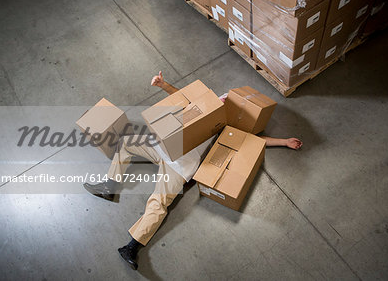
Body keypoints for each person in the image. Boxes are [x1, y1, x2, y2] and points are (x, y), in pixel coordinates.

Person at [83, 72, 303, 270]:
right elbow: (183, 96)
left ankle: (132, 247)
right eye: (225, 99)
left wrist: (283, 142)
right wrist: (162, 84)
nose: (224, 101)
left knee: (158, 203)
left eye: (228, 103)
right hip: (161, 147)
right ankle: (109, 186)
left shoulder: (233, 127)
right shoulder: (211, 103)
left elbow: (252, 141)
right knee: (127, 142)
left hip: (179, 167)